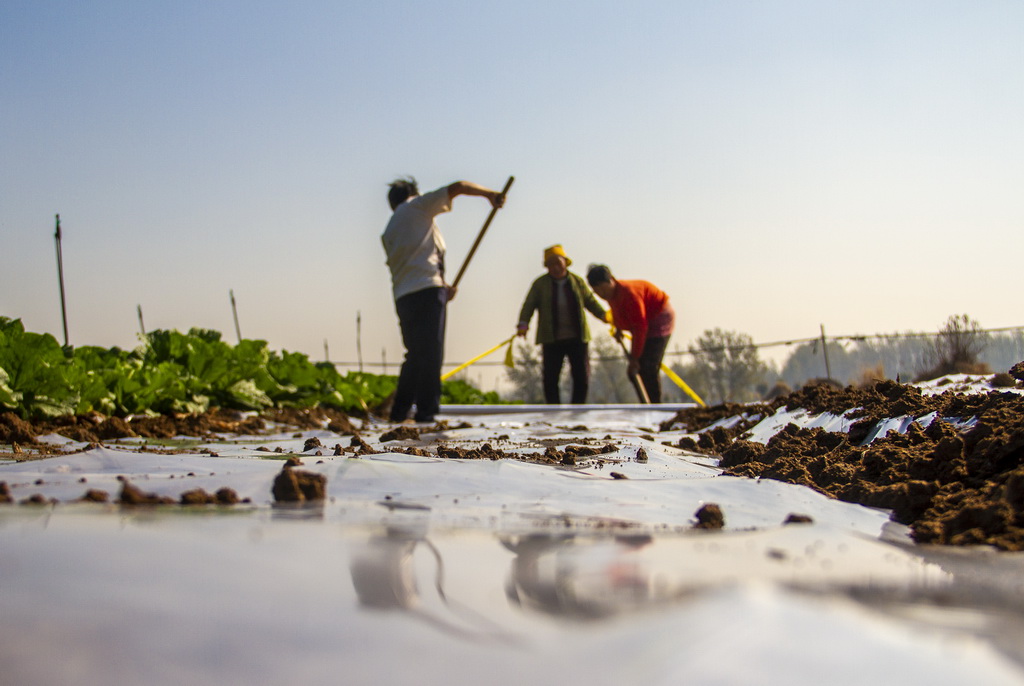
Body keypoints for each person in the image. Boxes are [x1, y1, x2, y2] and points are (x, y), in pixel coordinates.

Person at [381, 177, 505, 423]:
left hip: (403, 296)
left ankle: (399, 412)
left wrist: (443, 286)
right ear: (413, 194)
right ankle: (427, 414)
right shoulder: (416, 205)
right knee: (430, 354)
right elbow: (457, 186)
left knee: (415, 354)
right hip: (426, 291)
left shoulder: (390, 229)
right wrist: (490, 194)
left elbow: (414, 261)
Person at [516, 245, 608, 404]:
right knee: (550, 379)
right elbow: (528, 305)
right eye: (551, 264)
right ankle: (553, 410)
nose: (555, 267)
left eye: (558, 263)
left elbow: (590, 302)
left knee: (582, 377)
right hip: (552, 339)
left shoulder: (577, 281)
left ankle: (578, 410)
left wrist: (605, 316)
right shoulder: (540, 284)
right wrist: (523, 324)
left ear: (565, 262)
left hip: (577, 338)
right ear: (546, 267)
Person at [586, 264, 674, 403]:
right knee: (635, 372)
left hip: (658, 318)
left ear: (611, 280)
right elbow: (617, 312)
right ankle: (646, 404)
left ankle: (656, 407)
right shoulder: (611, 295)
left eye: (603, 289)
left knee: (647, 366)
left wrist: (634, 358)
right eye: (598, 292)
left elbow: (639, 328)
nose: (602, 295)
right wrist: (618, 329)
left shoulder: (629, 294)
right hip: (643, 323)